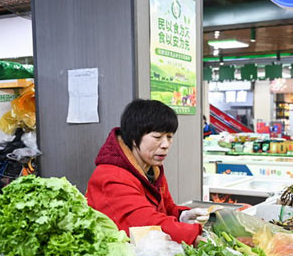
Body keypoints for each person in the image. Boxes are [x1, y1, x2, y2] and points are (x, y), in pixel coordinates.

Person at [86, 99, 208, 245]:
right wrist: (192, 235)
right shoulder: (110, 177)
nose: (166, 145)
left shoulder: (151, 168)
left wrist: (183, 215)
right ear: (133, 137)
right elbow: (146, 223)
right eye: (157, 137)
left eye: (169, 137)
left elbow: (166, 208)